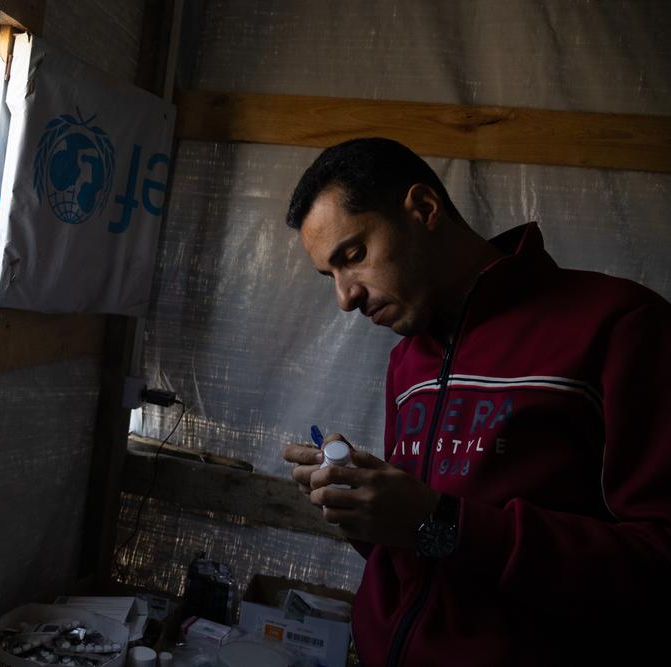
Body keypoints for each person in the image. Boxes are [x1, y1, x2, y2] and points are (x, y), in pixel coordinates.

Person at [281, 137, 670, 665]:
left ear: (423, 209)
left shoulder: (619, 325)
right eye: (331, 275)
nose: (345, 297)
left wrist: (442, 523)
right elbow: (424, 550)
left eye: (353, 256)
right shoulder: (408, 362)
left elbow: (657, 561)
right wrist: (366, 508)